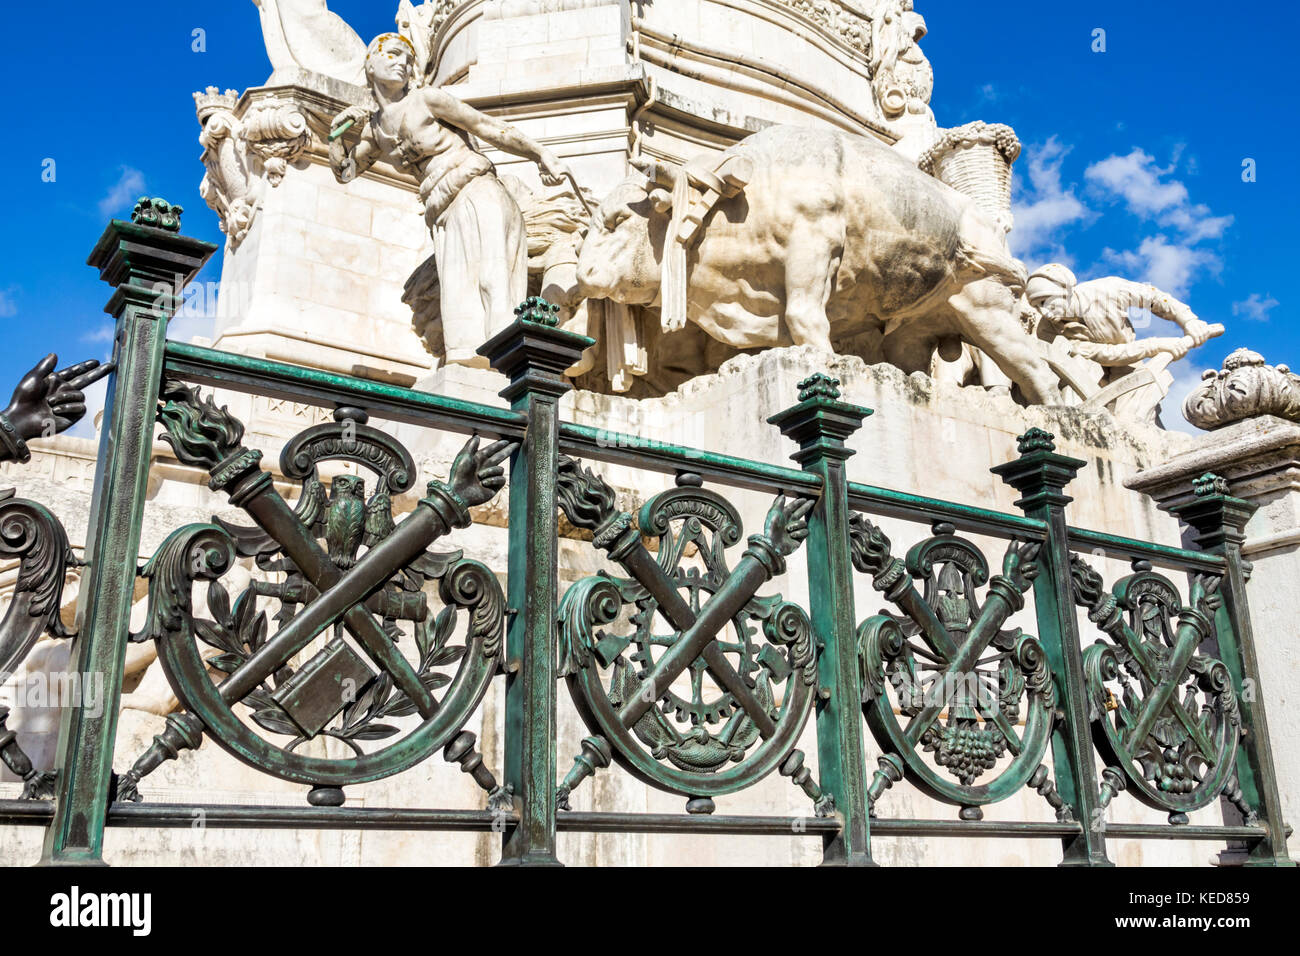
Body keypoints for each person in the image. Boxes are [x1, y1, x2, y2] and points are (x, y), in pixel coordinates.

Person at [329, 33, 573, 367]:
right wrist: (336, 137)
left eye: (408, 58)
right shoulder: (375, 131)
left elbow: (488, 127)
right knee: (459, 299)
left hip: (476, 190)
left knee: (492, 280)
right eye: (394, 54)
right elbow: (345, 172)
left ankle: (508, 367)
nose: (403, 62)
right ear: (370, 63)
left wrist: (540, 153)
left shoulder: (427, 100)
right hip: (442, 211)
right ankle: (469, 369)